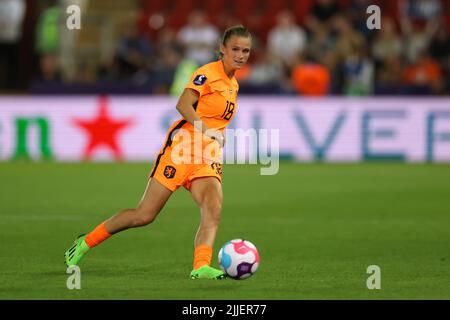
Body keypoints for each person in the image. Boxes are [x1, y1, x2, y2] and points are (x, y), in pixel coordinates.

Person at [64, 25, 252, 280]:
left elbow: (215, 117)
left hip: (206, 157)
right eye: (235, 49)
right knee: (144, 215)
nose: (241, 55)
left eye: (246, 51)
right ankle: (85, 242)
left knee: (213, 208)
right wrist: (207, 130)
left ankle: (200, 267)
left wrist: (216, 135)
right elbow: (183, 104)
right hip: (180, 151)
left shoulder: (233, 84)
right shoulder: (207, 74)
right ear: (222, 49)